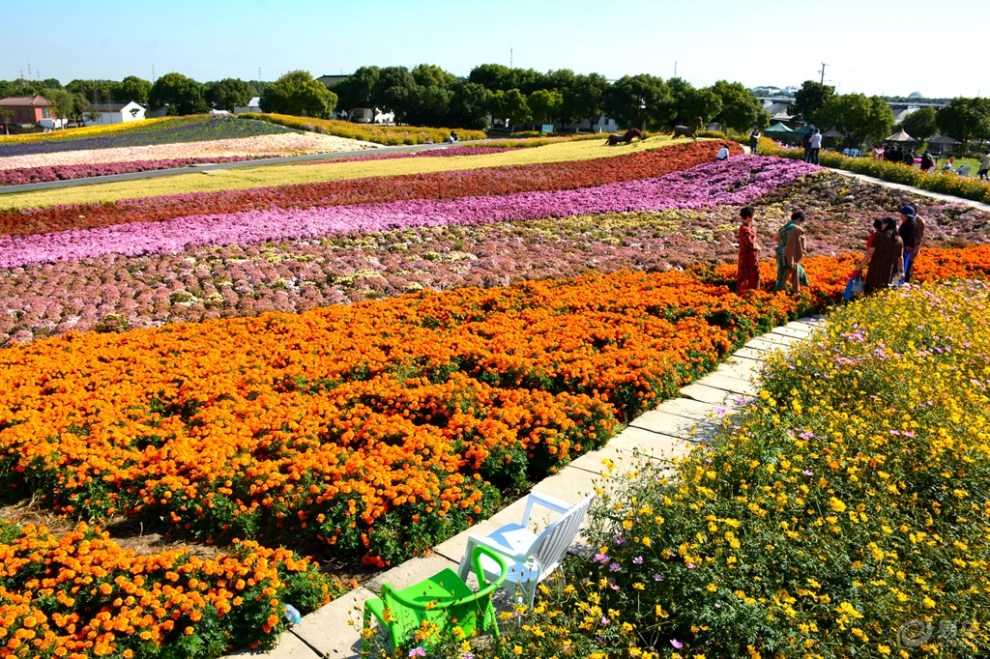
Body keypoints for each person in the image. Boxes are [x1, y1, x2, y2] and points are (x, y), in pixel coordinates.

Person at [856, 217, 904, 294]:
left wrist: (860, 266)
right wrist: (901, 271)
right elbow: (900, 257)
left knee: (872, 289)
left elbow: (869, 253)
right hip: (889, 269)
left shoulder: (879, 236)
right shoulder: (899, 239)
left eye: (883, 224)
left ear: (886, 224)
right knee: (884, 289)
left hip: (876, 267)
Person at [775, 210, 808, 295]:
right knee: (785, 274)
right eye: (801, 222)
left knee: (786, 272)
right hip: (788, 255)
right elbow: (802, 235)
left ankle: (796, 291)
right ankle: (778, 294)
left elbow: (775, 238)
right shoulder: (795, 228)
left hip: (780, 253)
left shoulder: (784, 227)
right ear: (799, 219)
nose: (800, 224)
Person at [736, 206, 761, 294]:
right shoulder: (744, 229)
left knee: (752, 273)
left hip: (750, 255)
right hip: (747, 256)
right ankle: (747, 292)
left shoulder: (748, 228)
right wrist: (757, 246)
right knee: (747, 274)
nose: (753, 218)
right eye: (752, 216)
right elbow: (749, 242)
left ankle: (752, 291)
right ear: (748, 217)